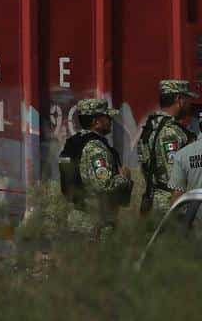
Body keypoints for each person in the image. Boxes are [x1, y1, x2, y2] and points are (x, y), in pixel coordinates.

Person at [59, 99, 131, 236]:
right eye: (107, 117)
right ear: (96, 122)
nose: (110, 120)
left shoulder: (76, 143)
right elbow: (104, 185)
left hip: (79, 218)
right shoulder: (96, 149)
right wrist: (124, 178)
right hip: (96, 223)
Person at [136, 80, 196, 219]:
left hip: (154, 199)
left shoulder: (151, 126)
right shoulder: (171, 133)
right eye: (187, 99)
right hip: (172, 205)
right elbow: (174, 176)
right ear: (179, 99)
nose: (190, 104)